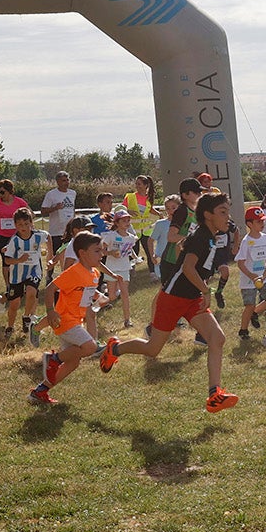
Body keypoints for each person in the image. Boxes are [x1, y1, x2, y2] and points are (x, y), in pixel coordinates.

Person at [97, 193, 240, 413]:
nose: (227, 217)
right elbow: (188, 268)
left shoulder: (212, 235)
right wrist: (206, 290)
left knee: (217, 338)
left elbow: (187, 252)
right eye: (223, 212)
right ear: (207, 215)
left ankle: (215, 394)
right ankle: (115, 348)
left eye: (227, 212)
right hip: (174, 297)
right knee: (152, 349)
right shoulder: (201, 236)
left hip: (192, 297)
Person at [28, 231, 112, 406]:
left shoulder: (94, 274)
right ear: (83, 253)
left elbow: (87, 291)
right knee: (90, 347)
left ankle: (39, 392)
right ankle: (53, 359)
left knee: (73, 363)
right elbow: (50, 289)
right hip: (64, 319)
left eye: (102, 250)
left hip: (76, 320)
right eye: (97, 251)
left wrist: (99, 297)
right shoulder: (74, 271)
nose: (102, 254)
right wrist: (50, 311)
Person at [2, 206, 52, 340]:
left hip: (34, 270)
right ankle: (10, 326)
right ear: (15, 225)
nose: (23, 227)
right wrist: (19, 260)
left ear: (31, 223)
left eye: (26, 223)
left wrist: (50, 257)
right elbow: (7, 260)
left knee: (31, 292)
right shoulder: (14, 240)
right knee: (14, 304)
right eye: (19, 224)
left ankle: (26, 317)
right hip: (17, 275)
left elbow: (48, 237)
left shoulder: (38, 236)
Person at [234, 207, 266, 342]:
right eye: (258, 221)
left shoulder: (265, 238)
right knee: (249, 305)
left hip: (264, 276)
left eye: (263, 221)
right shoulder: (246, 241)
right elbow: (240, 263)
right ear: (249, 224)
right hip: (249, 280)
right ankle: (243, 330)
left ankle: (255, 312)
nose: (262, 224)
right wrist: (251, 275)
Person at [100, 208, 139, 328]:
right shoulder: (111, 236)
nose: (127, 223)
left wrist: (136, 258)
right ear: (116, 223)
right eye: (123, 221)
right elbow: (101, 250)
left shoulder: (131, 237)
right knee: (112, 296)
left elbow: (130, 250)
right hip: (111, 268)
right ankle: (106, 290)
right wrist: (111, 253)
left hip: (124, 268)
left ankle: (127, 320)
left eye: (128, 220)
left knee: (125, 294)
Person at [122, 175, 161, 272]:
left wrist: (159, 214)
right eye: (136, 184)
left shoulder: (149, 197)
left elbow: (150, 209)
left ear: (145, 185)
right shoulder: (130, 197)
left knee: (149, 251)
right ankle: (130, 271)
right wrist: (128, 211)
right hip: (133, 230)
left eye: (139, 184)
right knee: (133, 251)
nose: (137, 186)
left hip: (146, 230)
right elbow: (122, 209)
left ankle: (152, 272)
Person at [0, 179, 31, 252]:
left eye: (2, 192)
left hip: (17, 235)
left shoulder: (19, 201)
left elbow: (31, 214)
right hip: (0, 235)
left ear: (9, 191)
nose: (0, 195)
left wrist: (23, 222)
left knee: (17, 256)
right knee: (6, 257)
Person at [39, 171, 77, 254]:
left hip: (69, 231)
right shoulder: (51, 194)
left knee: (70, 255)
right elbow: (43, 211)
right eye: (63, 180)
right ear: (58, 182)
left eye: (67, 180)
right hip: (56, 232)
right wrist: (55, 208)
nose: (66, 183)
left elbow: (72, 209)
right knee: (55, 256)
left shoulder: (72, 193)